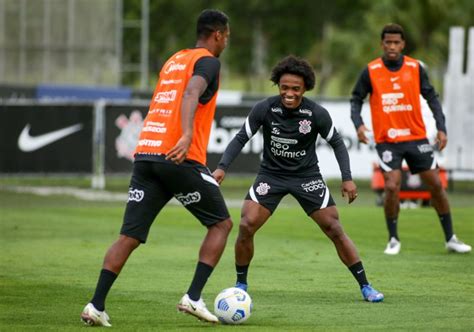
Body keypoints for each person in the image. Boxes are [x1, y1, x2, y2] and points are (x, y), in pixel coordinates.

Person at [80, 9, 232, 326]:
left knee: (129, 236)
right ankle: (193, 297)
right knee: (221, 224)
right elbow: (191, 92)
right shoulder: (208, 61)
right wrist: (187, 134)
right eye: (226, 36)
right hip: (178, 155)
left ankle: (96, 305)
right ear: (218, 34)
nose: (226, 42)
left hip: (146, 154)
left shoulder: (175, 59)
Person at [213, 55, 384, 303]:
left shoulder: (316, 113)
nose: (289, 93)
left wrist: (347, 179)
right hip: (271, 176)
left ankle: (366, 286)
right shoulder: (264, 108)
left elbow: (337, 143)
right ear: (278, 86)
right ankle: (241, 283)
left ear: (304, 89)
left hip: (307, 177)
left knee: (334, 228)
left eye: (295, 88)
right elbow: (241, 137)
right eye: (284, 88)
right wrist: (221, 167)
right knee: (246, 224)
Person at [350, 23, 471, 255]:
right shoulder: (371, 70)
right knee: (392, 186)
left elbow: (432, 98)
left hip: (416, 138)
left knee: (435, 184)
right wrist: (359, 125)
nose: (392, 46)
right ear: (382, 44)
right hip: (388, 140)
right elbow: (356, 99)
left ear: (403, 44)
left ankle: (451, 238)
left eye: (396, 42)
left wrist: (441, 128)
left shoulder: (415, 68)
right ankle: (393, 239)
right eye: (388, 42)